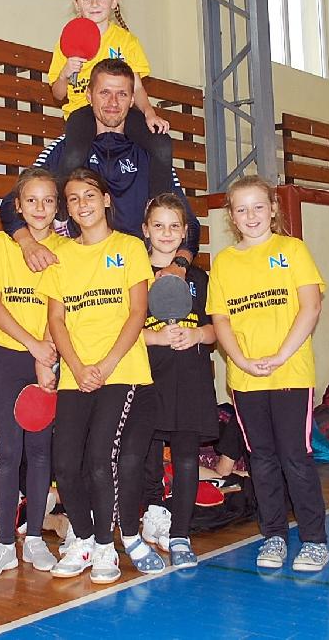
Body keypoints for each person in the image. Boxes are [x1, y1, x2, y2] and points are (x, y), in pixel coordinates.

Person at [207, 175, 329, 573]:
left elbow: (310, 307)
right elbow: (221, 319)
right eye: (241, 209)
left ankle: (313, 539)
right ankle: (273, 534)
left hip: (290, 373)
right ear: (232, 216)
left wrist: (281, 355)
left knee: (295, 456)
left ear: (273, 208)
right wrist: (241, 361)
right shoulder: (225, 262)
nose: (251, 215)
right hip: (247, 379)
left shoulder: (292, 250)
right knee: (261, 458)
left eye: (258, 206)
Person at [38, 168, 154, 584]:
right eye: (73, 199)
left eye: (89, 195)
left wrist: (104, 366)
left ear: (105, 199)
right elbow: (56, 319)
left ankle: (106, 545)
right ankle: (83, 539)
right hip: (76, 374)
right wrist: (74, 366)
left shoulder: (129, 247)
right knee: (66, 463)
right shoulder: (60, 256)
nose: (82, 204)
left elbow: (137, 312)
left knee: (100, 459)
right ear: (67, 209)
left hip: (120, 371)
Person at [0, 58, 199, 277]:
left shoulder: (150, 154)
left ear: (132, 99)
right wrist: (28, 244)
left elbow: (188, 222)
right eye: (104, 93)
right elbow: (10, 204)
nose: (113, 102)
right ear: (88, 96)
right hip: (83, 276)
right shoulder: (67, 149)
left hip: (135, 275)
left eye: (122, 94)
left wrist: (178, 265)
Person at [0, 168, 63, 580]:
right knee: (9, 452)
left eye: (48, 200)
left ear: (57, 207)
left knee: (41, 450)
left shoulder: (66, 249)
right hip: (11, 355)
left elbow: (60, 309)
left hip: (49, 354)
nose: (40, 208)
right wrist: (32, 345)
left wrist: (47, 352)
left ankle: (36, 538)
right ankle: (5, 544)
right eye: (32, 200)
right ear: (18, 206)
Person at [135, 194, 218, 569]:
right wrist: (154, 338)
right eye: (158, 225)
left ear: (185, 232)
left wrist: (197, 335)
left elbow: (216, 330)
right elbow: (120, 330)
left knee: (186, 458)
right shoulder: (134, 275)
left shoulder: (199, 277)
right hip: (147, 378)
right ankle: (154, 513)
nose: (166, 233)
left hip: (190, 379)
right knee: (147, 456)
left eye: (174, 226)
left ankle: (181, 534)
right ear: (145, 230)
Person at [51, 0, 173, 202]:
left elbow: (137, 87)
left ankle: (159, 207)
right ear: (77, 4)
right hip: (83, 111)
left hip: (122, 113)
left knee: (162, 144)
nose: (94, 4)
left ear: (114, 1)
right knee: (74, 154)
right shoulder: (66, 42)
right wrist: (65, 73)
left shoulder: (126, 41)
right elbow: (57, 94)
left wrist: (149, 113)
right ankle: (63, 212)